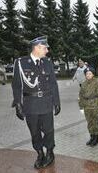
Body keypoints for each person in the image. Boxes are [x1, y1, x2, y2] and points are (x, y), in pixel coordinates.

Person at [11, 36, 61, 169]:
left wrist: (56, 102)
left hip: (46, 103)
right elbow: (16, 85)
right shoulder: (21, 63)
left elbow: (53, 84)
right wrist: (17, 104)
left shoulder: (47, 63)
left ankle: (50, 152)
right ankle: (40, 153)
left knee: (49, 130)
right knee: (34, 132)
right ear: (37, 48)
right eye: (45, 48)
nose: (47, 50)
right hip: (30, 104)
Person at [79, 67, 98, 147]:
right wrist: (81, 107)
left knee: (95, 122)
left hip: (95, 105)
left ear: (93, 74)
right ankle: (91, 137)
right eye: (87, 74)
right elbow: (81, 95)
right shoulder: (84, 83)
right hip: (86, 106)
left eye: (90, 74)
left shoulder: (97, 83)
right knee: (89, 122)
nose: (88, 75)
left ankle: (96, 138)